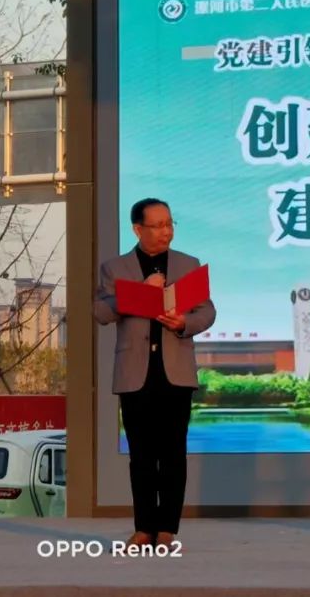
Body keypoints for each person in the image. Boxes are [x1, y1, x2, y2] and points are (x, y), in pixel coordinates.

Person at [92, 198, 216, 550]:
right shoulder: (115, 268)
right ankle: (144, 527)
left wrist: (184, 322)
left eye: (170, 224)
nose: (167, 232)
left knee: (173, 453)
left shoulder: (188, 264)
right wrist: (138, 295)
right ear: (138, 229)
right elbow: (100, 311)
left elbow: (207, 312)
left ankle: (167, 529)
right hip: (135, 372)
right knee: (142, 455)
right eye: (158, 225)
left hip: (176, 372)